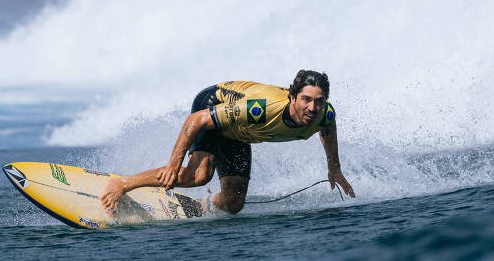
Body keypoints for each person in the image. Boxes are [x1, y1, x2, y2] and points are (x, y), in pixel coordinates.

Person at [100, 69, 355, 215]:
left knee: (233, 204)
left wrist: (334, 167)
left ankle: (204, 205)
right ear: (292, 97)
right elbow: (196, 121)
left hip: (238, 132)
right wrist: (172, 164)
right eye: (306, 99)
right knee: (198, 176)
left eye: (319, 101)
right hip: (214, 105)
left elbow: (328, 129)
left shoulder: (324, 114)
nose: (312, 107)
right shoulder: (261, 109)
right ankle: (122, 183)